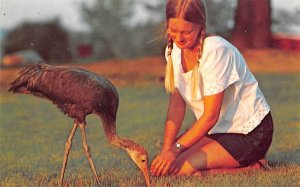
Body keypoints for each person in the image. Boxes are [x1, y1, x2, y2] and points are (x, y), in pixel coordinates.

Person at [150, 0, 274, 176]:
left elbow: (210, 116)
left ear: (201, 26)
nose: (179, 38)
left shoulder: (216, 51)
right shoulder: (174, 51)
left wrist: (175, 151)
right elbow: (177, 105)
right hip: (218, 131)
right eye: (174, 30)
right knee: (166, 168)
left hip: (250, 132)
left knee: (180, 170)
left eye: (186, 32)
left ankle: (253, 167)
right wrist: (166, 151)